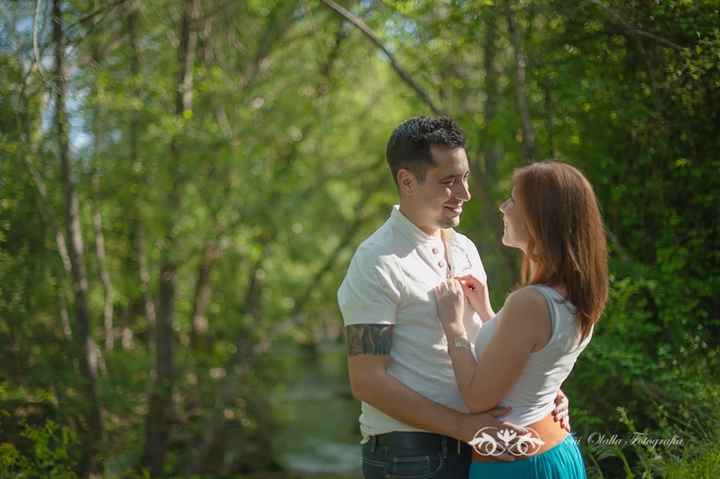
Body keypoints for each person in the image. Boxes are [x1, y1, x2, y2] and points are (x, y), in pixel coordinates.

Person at [337, 117, 570, 479]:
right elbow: (368, 381)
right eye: (449, 182)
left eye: (465, 177)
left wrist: (541, 387)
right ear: (407, 182)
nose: (465, 193)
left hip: (480, 450)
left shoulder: (465, 249)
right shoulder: (375, 262)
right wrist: (464, 426)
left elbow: (496, 343)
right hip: (413, 458)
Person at [434, 160, 608, 478]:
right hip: (554, 451)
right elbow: (535, 355)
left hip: (520, 466)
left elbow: (477, 399)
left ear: (539, 218)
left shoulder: (530, 302)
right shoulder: (575, 292)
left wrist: (454, 326)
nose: (503, 207)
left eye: (513, 200)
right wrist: (488, 311)